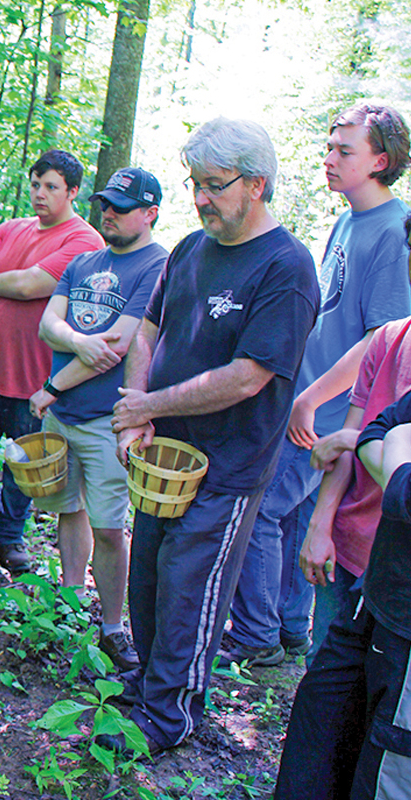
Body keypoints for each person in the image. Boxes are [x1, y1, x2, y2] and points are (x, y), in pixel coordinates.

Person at [104, 118, 319, 756]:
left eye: (214, 186)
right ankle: (149, 684)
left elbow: (249, 377)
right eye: (194, 183)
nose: (199, 198)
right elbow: (147, 328)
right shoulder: (191, 250)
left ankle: (169, 716)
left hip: (226, 466)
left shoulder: (287, 266)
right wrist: (140, 414)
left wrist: (148, 403)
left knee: (190, 590)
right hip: (160, 457)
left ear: (256, 185)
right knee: (148, 578)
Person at [225, 102, 411, 666]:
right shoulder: (349, 219)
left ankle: (256, 637)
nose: (328, 158)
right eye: (329, 146)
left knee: (257, 513)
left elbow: (382, 337)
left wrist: (313, 398)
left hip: (331, 416)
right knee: (293, 520)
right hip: (306, 400)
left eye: (343, 150)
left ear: (380, 161)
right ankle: (284, 629)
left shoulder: (392, 233)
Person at [28, 167, 168, 672]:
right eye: (106, 204)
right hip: (63, 417)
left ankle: (113, 627)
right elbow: (49, 325)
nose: (109, 213)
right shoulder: (84, 260)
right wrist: (79, 341)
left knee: (110, 527)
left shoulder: (158, 266)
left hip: (107, 421)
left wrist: (50, 387)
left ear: (150, 213)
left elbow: (123, 343)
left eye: (122, 207)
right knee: (70, 511)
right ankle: (67, 608)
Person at [0, 149, 103, 573]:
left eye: (51, 187)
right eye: (35, 184)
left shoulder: (83, 240)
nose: (40, 194)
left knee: (23, 464)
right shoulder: (10, 228)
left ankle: (9, 538)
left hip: (36, 378)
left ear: (72, 191)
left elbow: (33, 284)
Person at [274, 387, 411, 800]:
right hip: (372, 597)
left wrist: (399, 452)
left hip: (407, 635)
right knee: (315, 743)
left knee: (383, 775)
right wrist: (397, 462)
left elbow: (404, 490)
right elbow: (379, 428)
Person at [297, 214, 411, 658]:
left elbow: (353, 442)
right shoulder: (387, 341)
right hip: (350, 547)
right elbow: (345, 437)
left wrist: (353, 440)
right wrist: (321, 524)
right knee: (324, 670)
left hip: (399, 569)